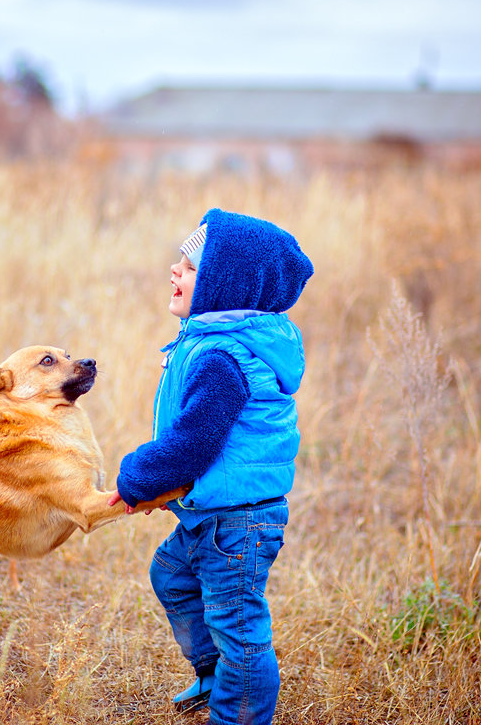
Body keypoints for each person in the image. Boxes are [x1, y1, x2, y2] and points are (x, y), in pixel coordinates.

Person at [109, 208, 313, 724]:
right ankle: (213, 673)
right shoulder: (213, 344)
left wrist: (138, 476)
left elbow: (192, 445)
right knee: (172, 574)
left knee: (239, 630)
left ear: (227, 286)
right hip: (216, 514)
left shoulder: (222, 359)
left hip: (237, 523)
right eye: (178, 261)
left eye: (191, 266)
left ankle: (237, 708)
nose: (175, 271)